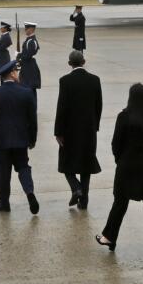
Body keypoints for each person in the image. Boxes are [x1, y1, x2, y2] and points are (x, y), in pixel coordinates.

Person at [94, 83, 143, 260]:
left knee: (119, 204)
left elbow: (115, 144)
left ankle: (109, 237)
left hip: (127, 168)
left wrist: (120, 160)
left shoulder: (124, 117)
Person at [0, 59, 40, 215]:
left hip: (2, 139)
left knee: (3, 171)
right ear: (12, 73)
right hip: (21, 138)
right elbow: (32, 120)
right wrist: (32, 139)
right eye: (16, 71)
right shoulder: (26, 92)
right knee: (23, 167)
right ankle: (29, 192)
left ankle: (4, 202)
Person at [55, 50, 102, 209]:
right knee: (86, 165)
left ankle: (76, 188)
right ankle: (84, 201)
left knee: (66, 163)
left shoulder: (65, 81)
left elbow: (61, 107)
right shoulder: (95, 80)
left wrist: (58, 132)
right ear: (84, 62)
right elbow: (98, 105)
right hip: (89, 130)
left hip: (70, 131)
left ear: (70, 64)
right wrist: (95, 125)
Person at [18, 22, 42, 95]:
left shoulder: (32, 41)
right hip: (27, 65)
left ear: (32, 29)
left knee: (29, 87)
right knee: (24, 86)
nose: (25, 30)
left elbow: (29, 54)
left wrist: (20, 57)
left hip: (30, 66)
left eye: (27, 28)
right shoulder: (29, 40)